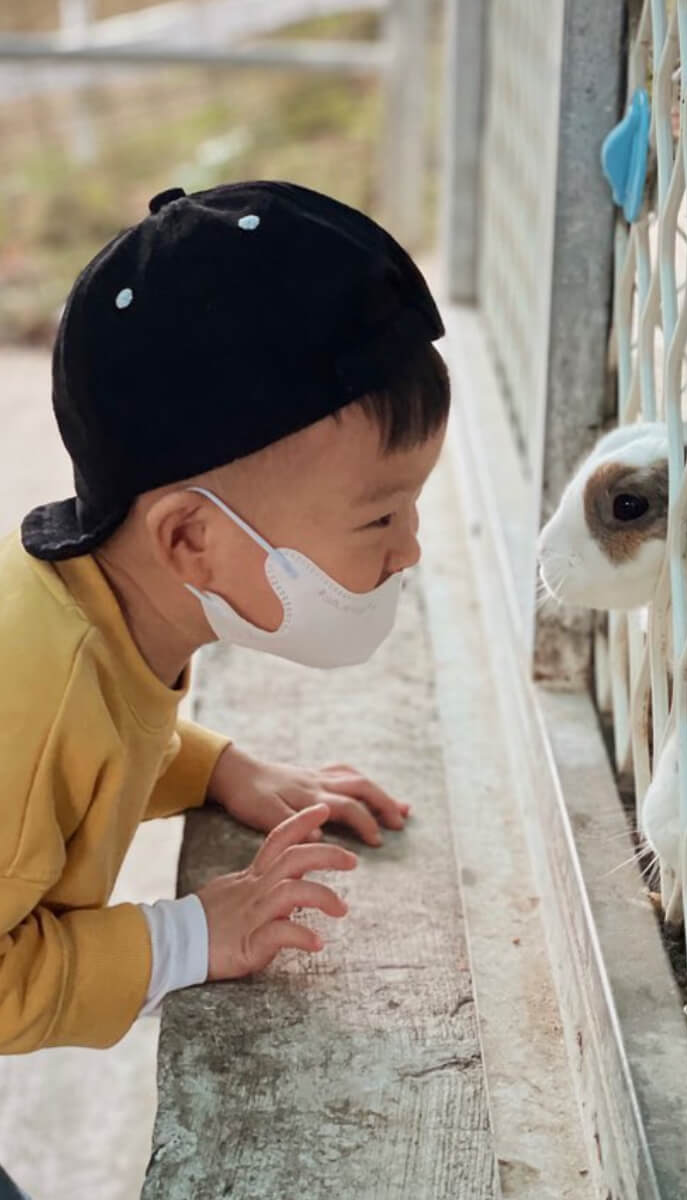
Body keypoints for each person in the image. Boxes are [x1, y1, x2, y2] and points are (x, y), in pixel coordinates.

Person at [0, 181, 448, 1194]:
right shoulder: (29, 701)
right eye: (380, 519)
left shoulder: (98, 616)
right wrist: (193, 935)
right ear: (192, 539)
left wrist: (216, 767)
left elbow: (107, 729)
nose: (409, 551)